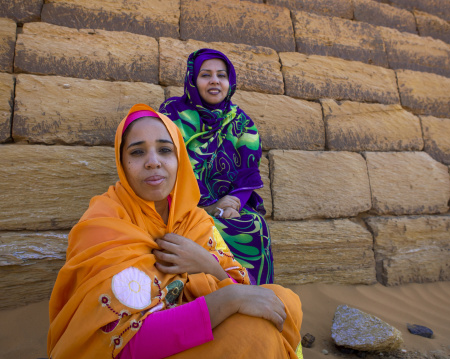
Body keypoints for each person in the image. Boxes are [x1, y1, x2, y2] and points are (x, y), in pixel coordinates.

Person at [47, 104, 303, 359]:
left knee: (284, 300)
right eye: (137, 152)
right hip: (145, 348)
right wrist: (227, 300)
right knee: (254, 334)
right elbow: (122, 342)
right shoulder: (103, 226)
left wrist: (207, 264)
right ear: (122, 163)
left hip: (194, 329)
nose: (153, 162)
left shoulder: (193, 220)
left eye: (165, 150)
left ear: (179, 159)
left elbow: (244, 291)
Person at [159, 49, 273, 285]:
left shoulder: (241, 123)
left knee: (253, 226)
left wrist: (232, 204)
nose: (214, 81)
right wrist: (206, 207)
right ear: (193, 80)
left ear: (229, 83)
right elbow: (161, 163)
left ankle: (253, 296)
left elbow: (248, 176)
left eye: (221, 75)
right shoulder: (172, 114)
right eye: (205, 75)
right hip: (179, 205)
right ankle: (201, 301)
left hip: (225, 205)